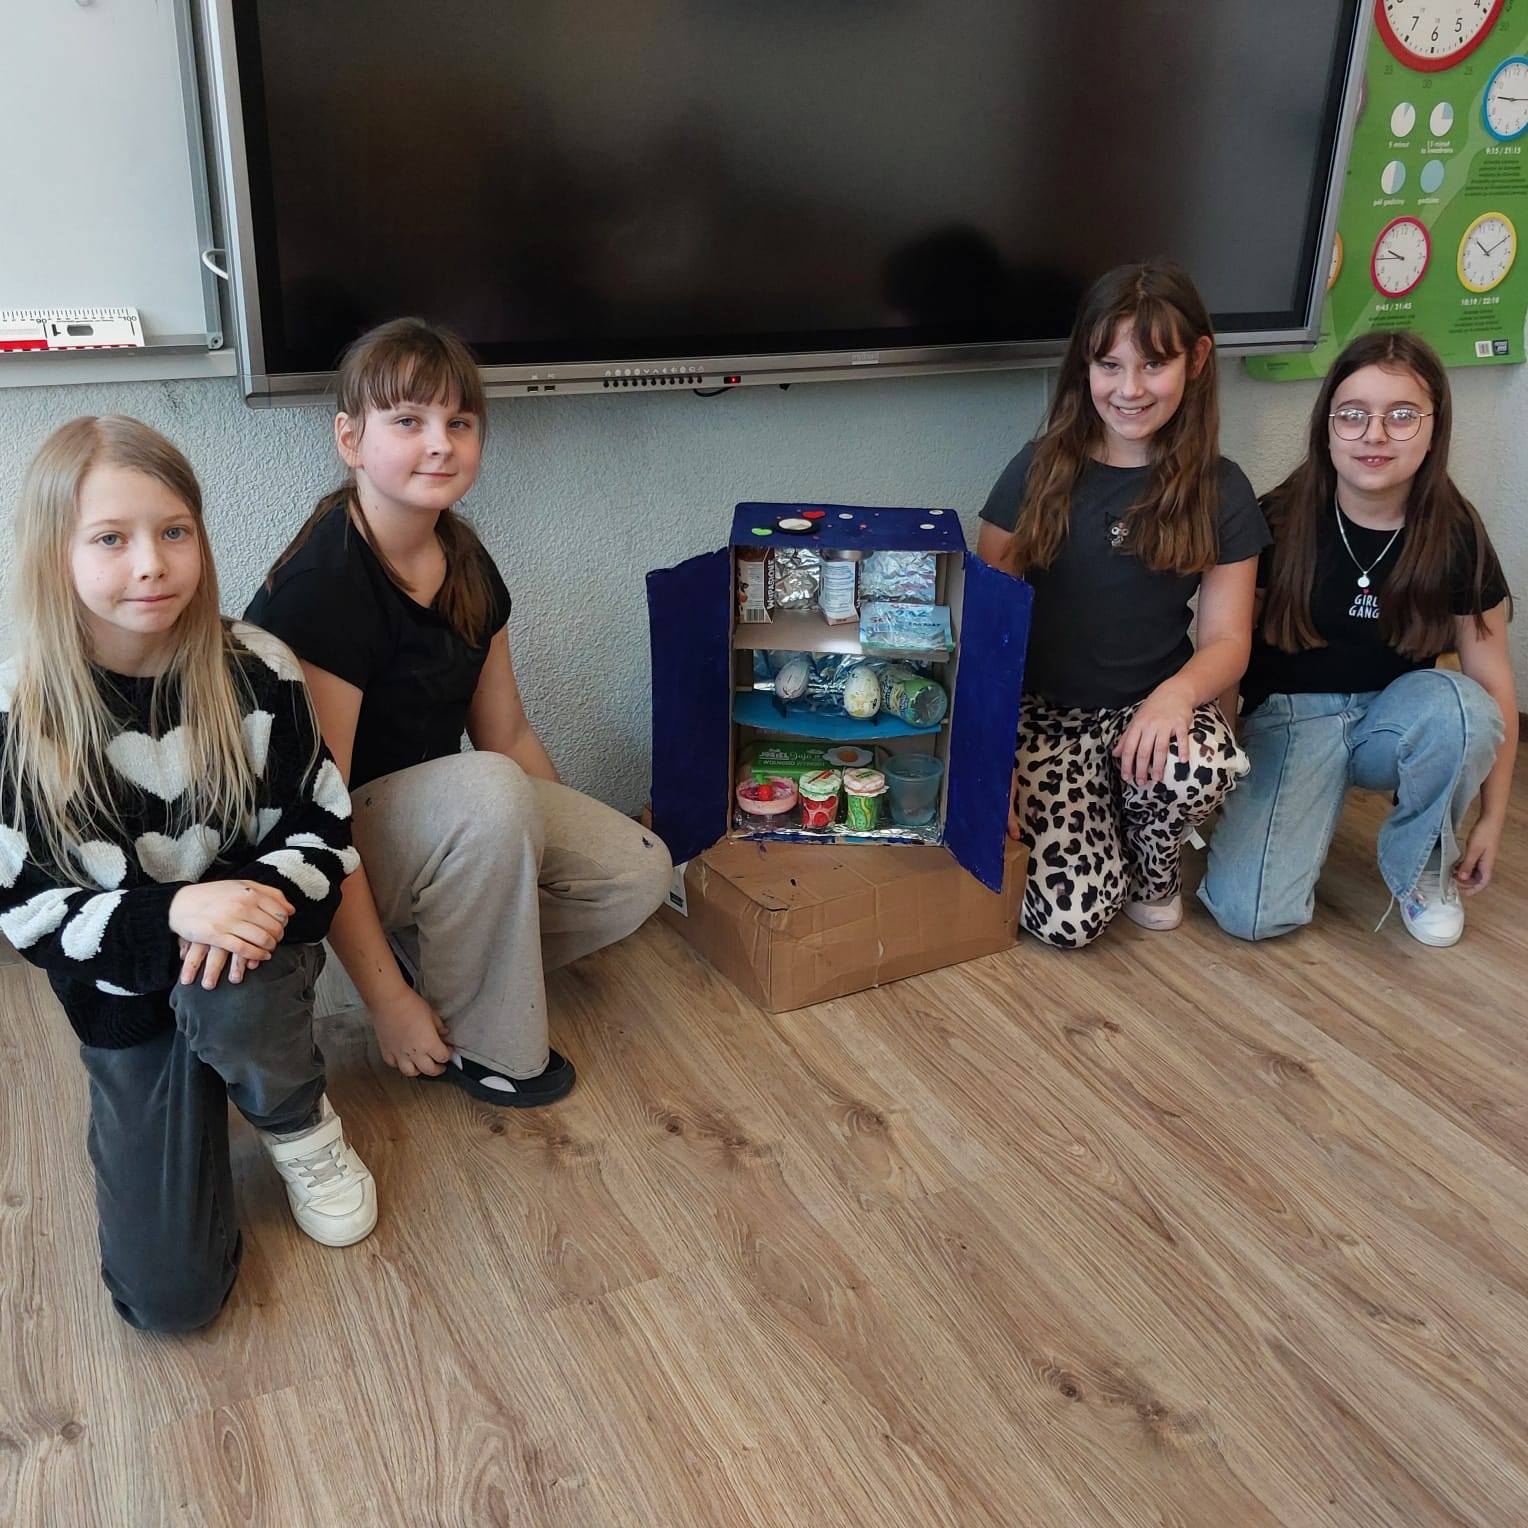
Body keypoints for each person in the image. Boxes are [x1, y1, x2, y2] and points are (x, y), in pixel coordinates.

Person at [0, 416, 373, 1332]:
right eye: (110, 539)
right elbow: (27, 908)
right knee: (169, 1299)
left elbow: (324, 824)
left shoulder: (260, 668)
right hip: (123, 995)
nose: (151, 565)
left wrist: (247, 903)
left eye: (174, 531)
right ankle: (189, 1081)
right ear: (54, 553)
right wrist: (172, 913)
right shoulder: (17, 712)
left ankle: (296, 1121)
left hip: (247, 970)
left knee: (228, 1001)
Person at [246, 318, 671, 1105]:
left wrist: (549, 854)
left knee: (636, 871)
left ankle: (445, 962)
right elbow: (312, 820)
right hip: (316, 861)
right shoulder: (323, 588)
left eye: (460, 422)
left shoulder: (464, 557)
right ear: (350, 438)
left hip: (432, 835)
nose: (440, 444)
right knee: (486, 789)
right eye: (409, 421)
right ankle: (483, 1044)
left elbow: (506, 733)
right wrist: (388, 1004)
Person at [976, 258, 1267, 948]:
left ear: (1196, 361)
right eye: (1109, 365)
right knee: (1070, 923)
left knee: (1199, 764)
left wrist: (1176, 696)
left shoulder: (1222, 489)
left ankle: (1153, 866)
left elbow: (1228, 639)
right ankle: (1097, 821)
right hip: (1047, 718)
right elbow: (987, 619)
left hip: (1149, 709)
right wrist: (989, 755)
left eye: (1153, 366)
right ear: (1085, 365)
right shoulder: (1037, 468)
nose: (1129, 389)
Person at [1200, 332, 1514, 946]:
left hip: (1396, 719)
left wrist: (1492, 819)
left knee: (1462, 708)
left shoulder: (1456, 534)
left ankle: (1426, 861)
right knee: (1249, 915)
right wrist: (1224, 763)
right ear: (1327, 428)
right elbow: (1226, 648)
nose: (1375, 435)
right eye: (1353, 415)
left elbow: (1493, 678)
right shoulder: (1277, 518)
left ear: (1434, 430)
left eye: (1402, 415)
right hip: (1290, 720)